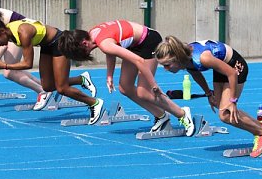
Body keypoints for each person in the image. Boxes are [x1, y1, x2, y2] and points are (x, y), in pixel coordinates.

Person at [57, 20, 195, 136]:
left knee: (144, 92)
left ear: (84, 44)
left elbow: (139, 61)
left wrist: (154, 85)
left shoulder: (103, 43)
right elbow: (111, 49)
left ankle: (182, 114)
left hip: (148, 42)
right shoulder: (93, 34)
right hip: (135, 46)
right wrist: (109, 74)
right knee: (125, 87)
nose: (84, 56)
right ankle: (161, 117)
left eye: (80, 54)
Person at [0, 9, 104, 125]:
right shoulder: (8, 31)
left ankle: (94, 103)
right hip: (47, 45)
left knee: (62, 88)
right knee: (47, 86)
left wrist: (4, 66)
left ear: (2, 31)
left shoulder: (23, 32)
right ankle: (81, 79)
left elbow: (28, 64)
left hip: (59, 43)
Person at [154, 36, 262, 157]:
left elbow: (232, 73)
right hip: (222, 68)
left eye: (167, 65)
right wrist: (209, 93)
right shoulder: (185, 59)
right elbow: (195, 73)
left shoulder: (203, 58)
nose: (165, 69)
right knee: (222, 107)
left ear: (177, 58)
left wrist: (233, 101)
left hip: (234, 68)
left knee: (225, 114)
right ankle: (258, 125)